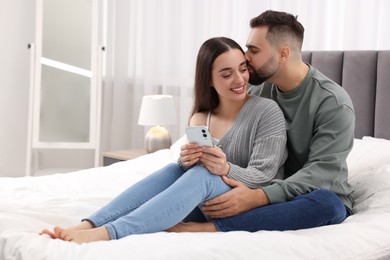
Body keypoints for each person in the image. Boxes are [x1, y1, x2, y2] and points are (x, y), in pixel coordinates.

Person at [40, 36, 287, 243]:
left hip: (242, 200)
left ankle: (108, 233)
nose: (240, 79)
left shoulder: (267, 111)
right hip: (202, 199)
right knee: (173, 168)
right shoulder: (201, 117)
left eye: (243, 69)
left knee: (204, 175)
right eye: (226, 74)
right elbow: (189, 172)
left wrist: (225, 168)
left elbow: (265, 176)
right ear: (209, 80)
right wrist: (186, 160)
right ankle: (88, 224)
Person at [169, 10, 355, 233]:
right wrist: (199, 156)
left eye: (253, 50)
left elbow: (321, 173)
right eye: (247, 47)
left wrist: (259, 197)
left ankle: (210, 228)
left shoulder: (333, 103)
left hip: (306, 194)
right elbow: (231, 144)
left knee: (328, 205)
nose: (245, 57)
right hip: (255, 185)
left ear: (283, 54)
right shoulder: (255, 91)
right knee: (185, 186)